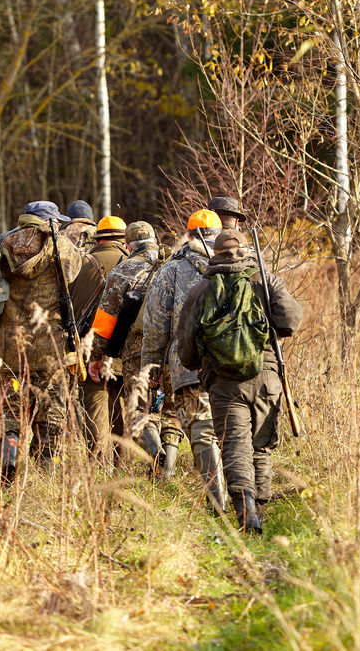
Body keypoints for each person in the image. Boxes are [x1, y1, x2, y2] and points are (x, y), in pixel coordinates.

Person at [177, 228, 303, 533]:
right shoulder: (265, 280)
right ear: (246, 252)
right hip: (267, 376)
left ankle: (246, 513)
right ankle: (259, 509)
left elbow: (186, 351)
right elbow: (291, 321)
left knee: (234, 445)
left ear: (215, 254)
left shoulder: (200, 290)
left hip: (223, 382)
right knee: (260, 445)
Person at [140, 209, 226, 511]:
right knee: (235, 428)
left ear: (187, 235)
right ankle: (246, 499)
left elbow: (155, 327)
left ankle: (219, 504)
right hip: (238, 363)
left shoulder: (171, 270)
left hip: (190, 366)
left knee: (203, 431)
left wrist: (149, 368)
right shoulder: (239, 263)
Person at [0, 200, 83, 484]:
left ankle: (9, 457)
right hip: (51, 346)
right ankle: (46, 475)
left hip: (10, 346)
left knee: (11, 411)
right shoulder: (63, 247)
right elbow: (75, 276)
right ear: (50, 221)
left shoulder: (2, 244)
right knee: (51, 414)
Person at [88, 221, 162, 466]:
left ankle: (157, 455)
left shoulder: (124, 270)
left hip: (136, 350)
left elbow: (107, 318)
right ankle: (166, 464)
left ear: (128, 246)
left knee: (139, 408)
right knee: (164, 406)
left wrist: (96, 355)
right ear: (154, 241)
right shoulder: (172, 263)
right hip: (174, 348)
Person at [72, 216, 130, 466]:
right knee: (122, 409)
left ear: (98, 239)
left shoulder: (81, 263)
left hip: (89, 347)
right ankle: (122, 467)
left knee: (95, 406)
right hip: (122, 349)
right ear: (123, 240)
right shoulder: (132, 263)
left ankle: (97, 467)